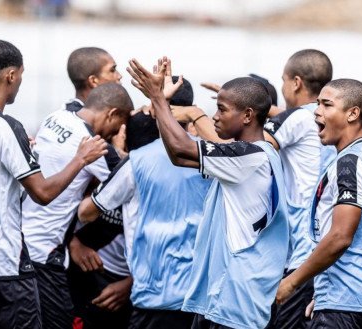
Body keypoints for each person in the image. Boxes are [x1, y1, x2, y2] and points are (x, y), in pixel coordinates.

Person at [0, 39, 107, 329]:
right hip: (1, 265)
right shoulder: (6, 126)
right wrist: (80, 159)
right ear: (11, 75)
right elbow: (42, 194)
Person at [127, 57, 289, 329]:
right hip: (222, 298)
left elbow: (182, 149)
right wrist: (161, 104)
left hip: (237, 301)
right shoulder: (248, 155)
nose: (215, 116)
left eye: (222, 110)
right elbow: (179, 156)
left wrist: (157, 98)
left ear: (248, 115)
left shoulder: (250, 157)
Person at [78, 82, 213, 328]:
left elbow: (87, 212)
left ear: (155, 108)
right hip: (202, 299)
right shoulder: (212, 156)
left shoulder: (137, 161)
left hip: (154, 298)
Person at [276, 78, 362, 329]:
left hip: (348, 302)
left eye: (326, 105)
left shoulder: (351, 161)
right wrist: (322, 295)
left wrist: (291, 282)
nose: (316, 112)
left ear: (353, 113)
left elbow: (340, 236)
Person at [21, 83, 133, 329]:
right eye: (117, 126)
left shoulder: (56, 116)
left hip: (23, 244)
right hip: (47, 253)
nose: (113, 134)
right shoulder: (94, 146)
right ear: (112, 113)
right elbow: (135, 175)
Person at [263, 49, 336, 328]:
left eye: (282, 80)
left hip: (300, 255)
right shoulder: (322, 120)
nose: (281, 88)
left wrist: (198, 118)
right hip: (321, 253)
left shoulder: (295, 118)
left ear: (295, 82)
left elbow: (247, 156)